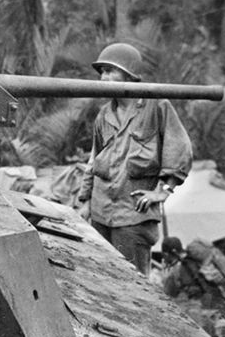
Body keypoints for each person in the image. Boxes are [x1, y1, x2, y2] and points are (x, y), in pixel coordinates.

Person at [79, 42, 193, 275]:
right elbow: (94, 160)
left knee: (132, 286)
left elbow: (180, 148)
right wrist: (84, 201)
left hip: (133, 217)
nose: (104, 78)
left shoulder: (156, 107)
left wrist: (163, 191)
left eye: (110, 71)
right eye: (102, 72)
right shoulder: (104, 114)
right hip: (101, 214)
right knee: (100, 280)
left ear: (129, 75)